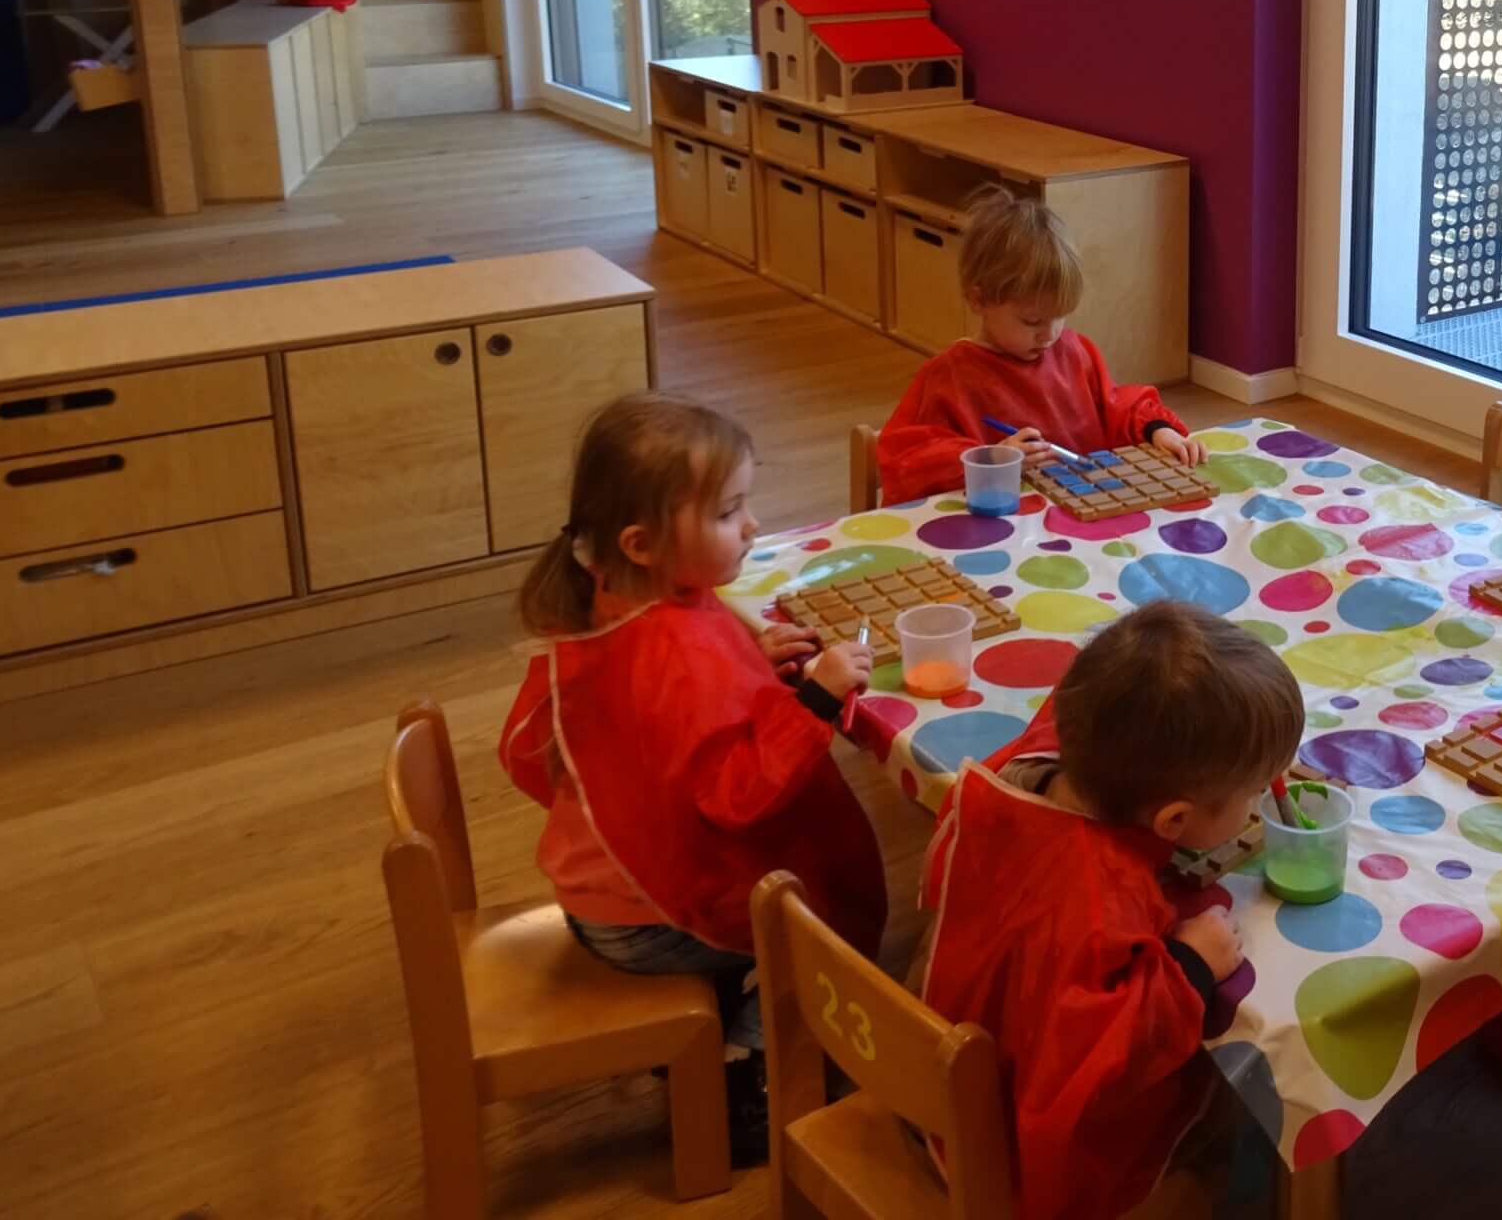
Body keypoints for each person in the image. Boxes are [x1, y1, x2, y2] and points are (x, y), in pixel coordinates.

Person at [497, 390, 885, 1163]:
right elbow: (737, 795)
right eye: (729, 512)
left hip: (598, 888)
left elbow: (568, 744)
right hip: (647, 920)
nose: (753, 526)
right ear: (641, 543)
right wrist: (815, 698)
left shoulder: (615, 598)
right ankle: (748, 1073)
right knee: (822, 933)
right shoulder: (672, 651)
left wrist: (748, 665)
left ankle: (723, 1014)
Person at [920, 600, 1303, 1220]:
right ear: (1173, 819)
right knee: (1244, 1110)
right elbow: (1109, 1055)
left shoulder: (1018, 775)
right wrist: (1190, 965)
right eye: (1254, 792)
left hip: (948, 1083)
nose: (1260, 801)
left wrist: (1240, 759)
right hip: (1025, 1160)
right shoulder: (1098, 901)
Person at [877, 184, 1204, 502]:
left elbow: (1117, 408)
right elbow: (910, 462)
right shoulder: (949, 376)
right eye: (1032, 321)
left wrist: (1157, 430)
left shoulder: (1075, 352)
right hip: (1000, 523)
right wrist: (993, 457)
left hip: (1082, 511)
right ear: (979, 300)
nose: (1049, 335)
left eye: (1060, 317)